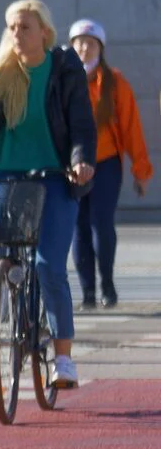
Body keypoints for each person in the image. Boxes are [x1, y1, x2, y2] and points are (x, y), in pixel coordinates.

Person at [0, 0, 95, 388]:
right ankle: (0, 290)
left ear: (44, 32)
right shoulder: (1, 70)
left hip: (55, 178)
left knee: (49, 267)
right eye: (11, 26)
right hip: (5, 177)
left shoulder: (63, 68)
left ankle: (63, 361)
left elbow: (81, 123)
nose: (16, 33)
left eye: (24, 27)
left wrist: (81, 161)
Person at [66, 19, 152, 309]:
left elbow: (131, 128)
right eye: (78, 43)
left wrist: (141, 171)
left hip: (106, 163)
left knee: (101, 224)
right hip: (73, 165)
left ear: (100, 48)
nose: (84, 48)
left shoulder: (115, 82)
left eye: (90, 44)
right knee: (78, 226)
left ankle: (107, 284)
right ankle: (87, 291)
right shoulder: (63, 78)